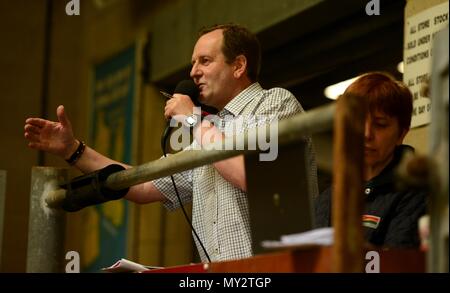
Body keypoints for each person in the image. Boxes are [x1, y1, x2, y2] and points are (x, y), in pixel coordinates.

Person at [24, 23, 318, 262]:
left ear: (239, 65)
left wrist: (193, 121)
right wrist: (74, 150)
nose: (193, 72)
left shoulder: (275, 103)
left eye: (205, 60)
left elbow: (254, 176)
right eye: (192, 63)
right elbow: (142, 185)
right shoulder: (210, 131)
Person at [315, 72, 427, 247]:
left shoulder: (414, 193)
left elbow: (397, 263)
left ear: (401, 134)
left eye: (380, 124)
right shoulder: (327, 198)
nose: (367, 134)